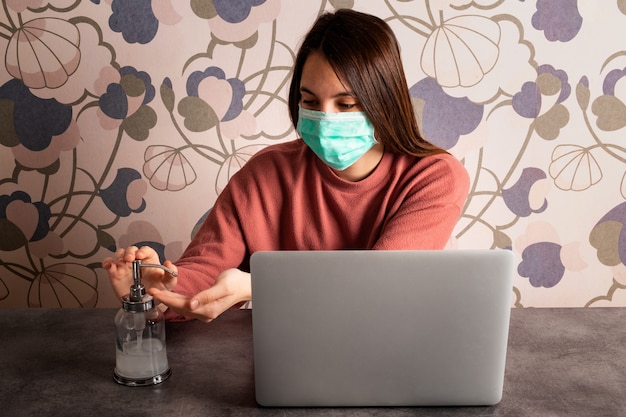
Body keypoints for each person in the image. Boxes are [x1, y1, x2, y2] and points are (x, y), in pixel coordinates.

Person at [102, 9, 470, 322]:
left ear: (383, 101)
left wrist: (263, 285)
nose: (324, 118)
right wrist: (157, 287)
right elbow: (205, 270)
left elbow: (378, 284)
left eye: (346, 105)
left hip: (388, 347)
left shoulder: (434, 177)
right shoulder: (264, 176)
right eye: (310, 101)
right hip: (287, 352)